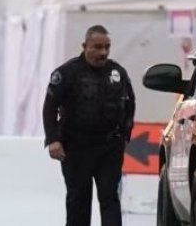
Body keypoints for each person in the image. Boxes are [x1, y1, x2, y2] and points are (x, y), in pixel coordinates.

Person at [43, 25, 136, 226]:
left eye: (107, 47)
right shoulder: (67, 73)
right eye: (97, 47)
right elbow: (49, 108)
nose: (103, 53)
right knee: (78, 201)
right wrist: (53, 140)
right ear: (85, 46)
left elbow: (129, 104)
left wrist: (124, 136)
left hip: (108, 149)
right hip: (76, 148)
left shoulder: (117, 72)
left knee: (110, 198)